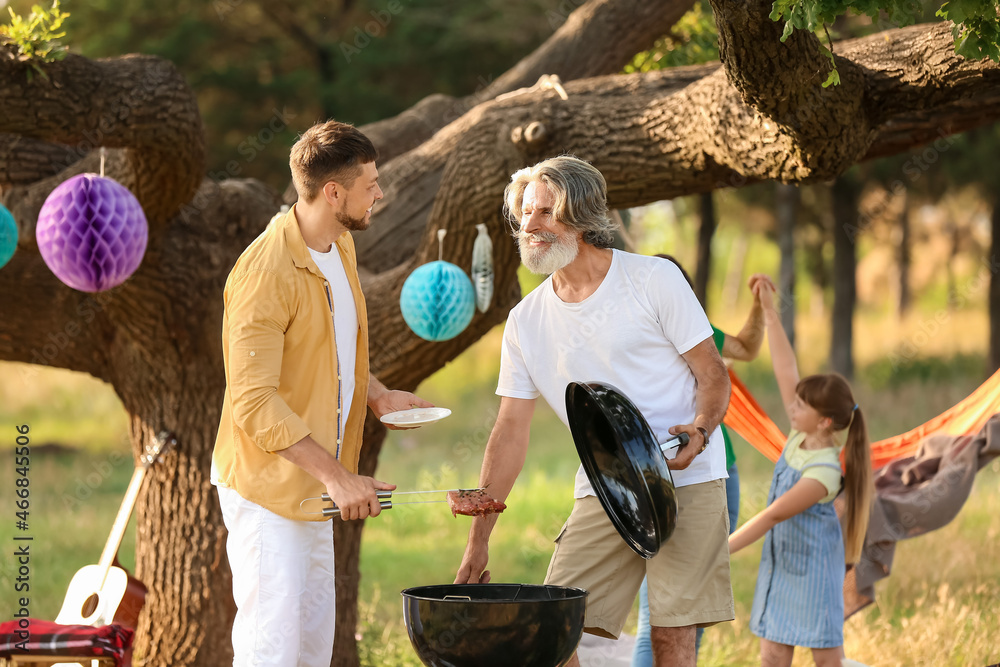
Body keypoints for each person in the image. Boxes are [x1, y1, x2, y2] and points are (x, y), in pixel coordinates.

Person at [454, 155, 734, 667]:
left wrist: (700, 429)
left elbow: (713, 374)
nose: (529, 226)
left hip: (685, 479)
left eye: (545, 212)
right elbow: (510, 431)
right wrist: (478, 541)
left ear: (581, 217)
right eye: (525, 214)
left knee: (671, 638)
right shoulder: (524, 323)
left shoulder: (654, 280)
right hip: (603, 488)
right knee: (552, 629)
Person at [211, 119, 432, 667]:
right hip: (269, 493)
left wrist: (376, 394)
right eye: (370, 183)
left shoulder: (338, 247)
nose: (380, 192)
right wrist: (338, 477)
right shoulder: (264, 272)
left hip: (314, 489)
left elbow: (332, 352)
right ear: (334, 192)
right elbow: (254, 403)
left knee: (310, 652)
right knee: (271, 652)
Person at [632, 258, 771, 667]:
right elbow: (746, 349)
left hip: (685, 468)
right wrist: (761, 306)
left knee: (678, 615)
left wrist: (759, 307)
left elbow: (744, 347)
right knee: (671, 616)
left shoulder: (677, 328)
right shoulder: (686, 329)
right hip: (691, 473)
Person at [729, 274, 873, 667]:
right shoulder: (799, 434)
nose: (791, 407)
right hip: (782, 563)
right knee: (772, 653)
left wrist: (720, 552)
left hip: (813, 570)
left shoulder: (825, 471)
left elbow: (774, 513)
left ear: (825, 422)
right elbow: (785, 365)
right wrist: (768, 310)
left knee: (826, 657)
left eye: (801, 407)